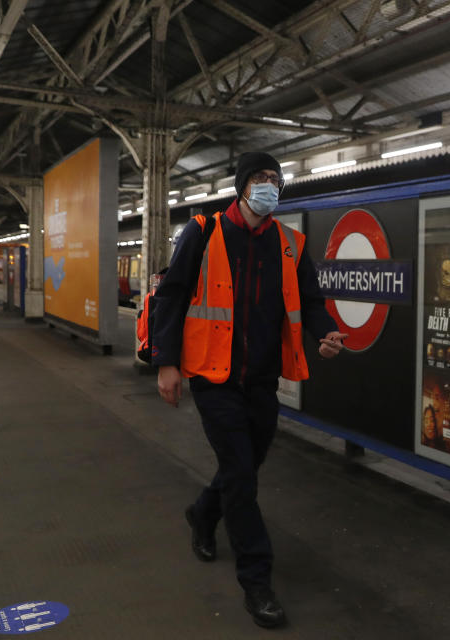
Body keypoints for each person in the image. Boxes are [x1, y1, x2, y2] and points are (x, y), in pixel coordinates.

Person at [151, 151, 347, 629]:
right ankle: (256, 581)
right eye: (259, 178)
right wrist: (167, 364)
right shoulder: (204, 232)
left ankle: (202, 513)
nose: (269, 186)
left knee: (247, 463)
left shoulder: (290, 243)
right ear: (241, 185)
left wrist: (325, 332)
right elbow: (172, 296)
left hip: (261, 378)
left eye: (275, 179)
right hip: (213, 378)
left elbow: (312, 300)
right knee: (241, 474)